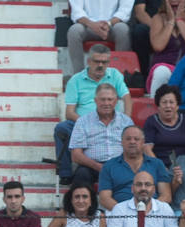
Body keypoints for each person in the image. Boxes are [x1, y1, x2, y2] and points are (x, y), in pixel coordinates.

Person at [55, 45, 132, 183]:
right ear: (88, 61)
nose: (101, 65)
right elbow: (69, 112)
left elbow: (127, 98)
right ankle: (65, 173)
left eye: (104, 62)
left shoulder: (115, 75)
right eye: (97, 61)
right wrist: (88, 123)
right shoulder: (75, 80)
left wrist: (126, 120)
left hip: (111, 120)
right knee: (61, 128)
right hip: (81, 122)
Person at [69, 84, 135, 189]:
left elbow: (134, 148)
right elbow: (76, 155)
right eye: (102, 99)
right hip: (92, 166)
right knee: (81, 175)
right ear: (95, 100)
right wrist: (98, 166)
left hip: (120, 165)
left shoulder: (126, 122)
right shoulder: (83, 121)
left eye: (110, 99)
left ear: (116, 101)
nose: (106, 103)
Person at [99, 126, 171, 209]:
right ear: (121, 142)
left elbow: (166, 196)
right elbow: (104, 199)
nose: (132, 142)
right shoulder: (109, 166)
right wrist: (125, 212)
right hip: (120, 215)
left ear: (143, 142)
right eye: (128, 139)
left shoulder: (157, 164)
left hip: (152, 213)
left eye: (136, 139)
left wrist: (147, 211)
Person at [104, 171, 180, 227]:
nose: (143, 188)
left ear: (154, 189)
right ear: (132, 189)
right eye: (139, 184)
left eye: (147, 184)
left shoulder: (164, 208)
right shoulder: (120, 208)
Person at [145, 0, 185, 96]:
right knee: (161, 72)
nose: (174, 0)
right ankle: (155, 106)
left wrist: (179, 21)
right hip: (164, 67)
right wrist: (171, 21)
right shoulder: (158, 18)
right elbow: (158, 46)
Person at [67, 0, 133, 70]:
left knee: (122, 29)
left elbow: (125, 10)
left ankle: (119, 74)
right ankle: (79, 75)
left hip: (112, 25)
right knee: (74, 31)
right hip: (88, 25)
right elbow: (77, 11)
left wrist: (108, 24)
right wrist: (92, 25)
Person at [143, 84, 185, 168]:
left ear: (177, 106)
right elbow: (147, 149)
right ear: (158, 106)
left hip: (184, 166)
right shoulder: (151, 121)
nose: (168, 106)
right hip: (159, 166)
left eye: (171, 102)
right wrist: (161, 169)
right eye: (164, 102)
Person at [38, 184, 106, 227]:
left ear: (91, 201)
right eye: (77, 197)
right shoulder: (63, 214)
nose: (80, 201)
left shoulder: (100, 217)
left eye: (85, 197)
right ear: (71, 201)